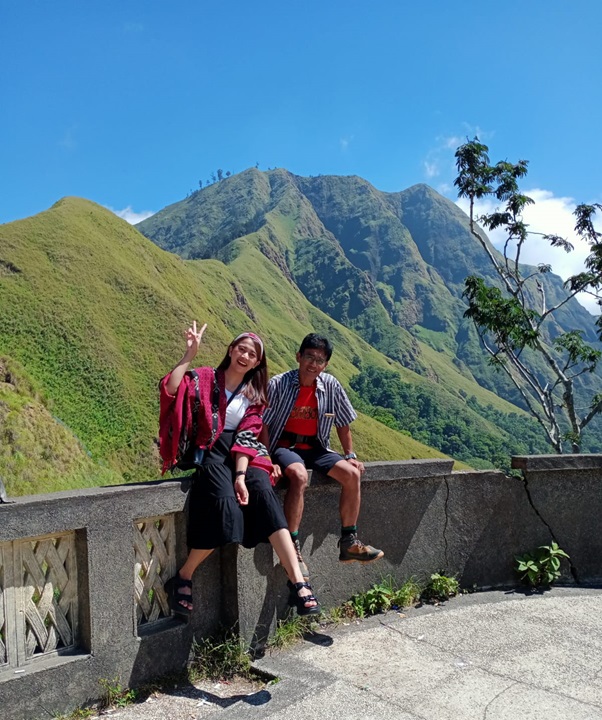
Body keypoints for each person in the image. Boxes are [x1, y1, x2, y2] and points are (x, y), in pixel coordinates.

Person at [159, 322, 320, 619]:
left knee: (266, 497)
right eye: (241, 349)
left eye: (252, 354)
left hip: (245, 455)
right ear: (231, 351)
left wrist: (241, 476)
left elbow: (247, 438)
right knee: (225, 508)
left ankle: (298, 583)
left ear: (258, 363)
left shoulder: (254, 396)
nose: (245, 356)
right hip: (211, 450)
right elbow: (170, 390)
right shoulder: (206, 377)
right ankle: (184, 574)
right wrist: (189, 355)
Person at [262, 333, 384, 579]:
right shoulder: (278, 384)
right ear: (299, 356)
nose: (313, 364)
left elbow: (343, 422)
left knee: (351, 474)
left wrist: (349, 454)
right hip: (285, 446)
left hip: (317, 447)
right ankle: (292, 549)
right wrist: (266, 457)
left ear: (325, 364)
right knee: (298, 475)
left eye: (320, 360)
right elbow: (262, 423)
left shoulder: (331, 385)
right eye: (309, 356)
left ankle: (349, 543)